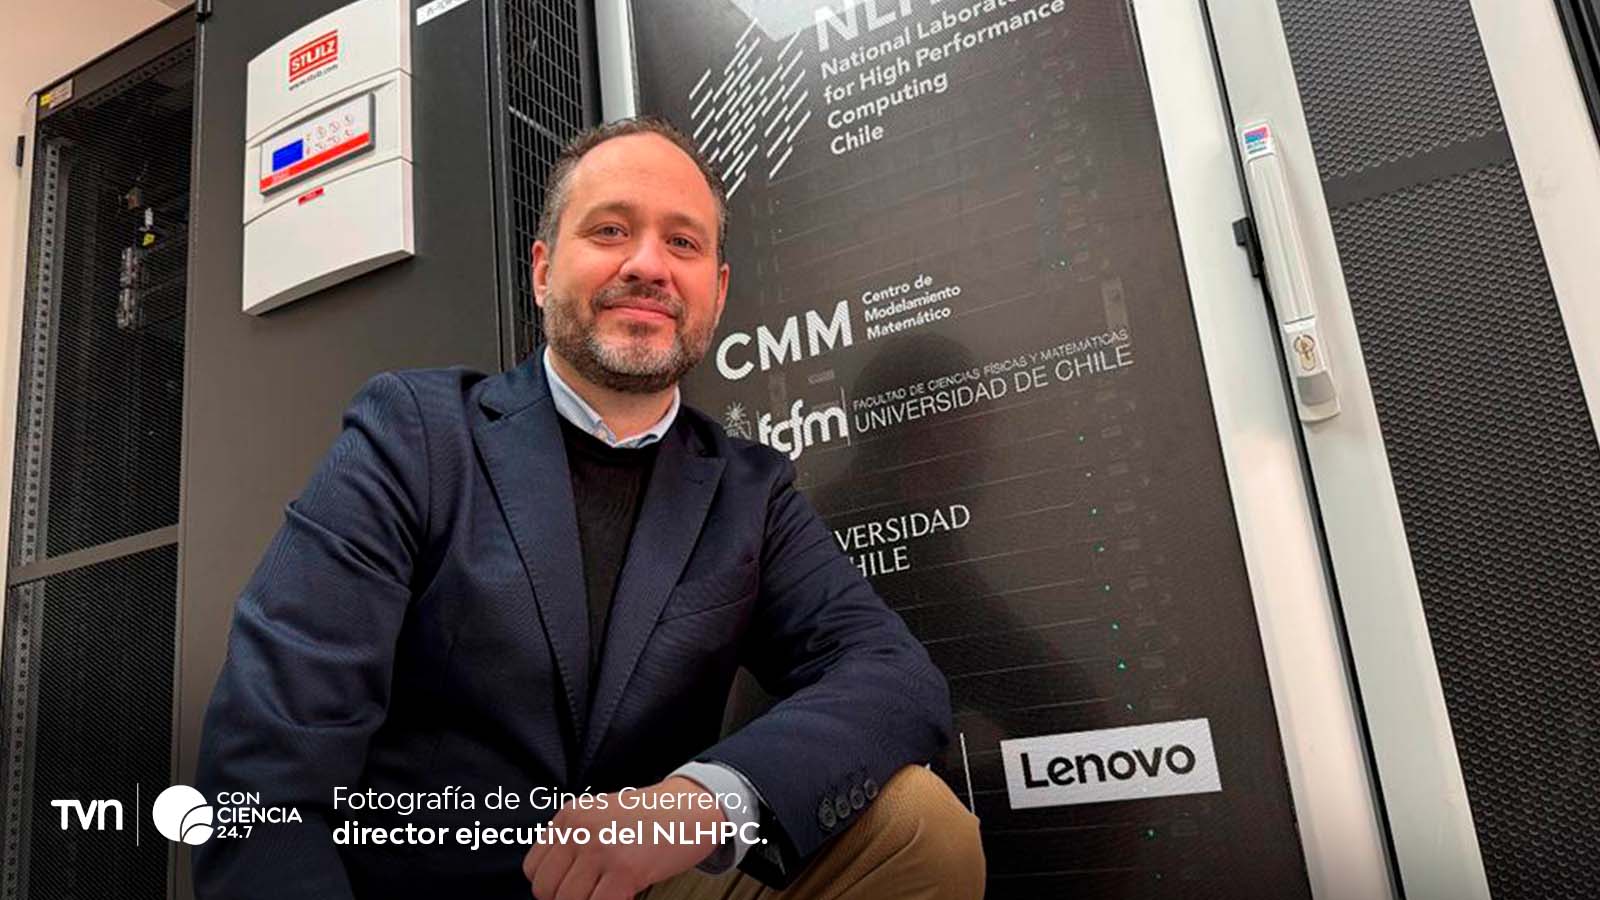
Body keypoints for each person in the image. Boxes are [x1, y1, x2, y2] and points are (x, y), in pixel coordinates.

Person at [192, 116, 985, 900]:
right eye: (610, 230)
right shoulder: (416, 435)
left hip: (635, 887)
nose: (648, 265)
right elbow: (269, 755)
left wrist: (700, 803)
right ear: (543, 271)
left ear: (716, 292)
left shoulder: (752, 494)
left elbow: (893, 674)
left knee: (920, 826)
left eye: (683, 242)